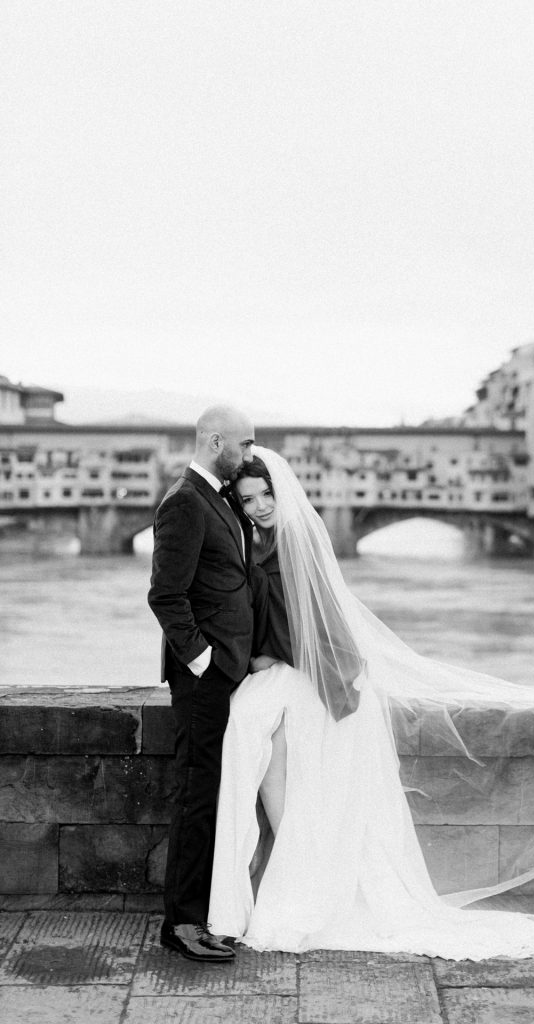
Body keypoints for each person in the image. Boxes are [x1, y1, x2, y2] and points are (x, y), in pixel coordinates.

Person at [208, 447, 534, 960]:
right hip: (294, 675)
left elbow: (317, 629)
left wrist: (270, 661)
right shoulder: (257, 543)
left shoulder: (294, 546)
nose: (257, 507)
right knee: (270, 758)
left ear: (281, 493)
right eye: (248, 500)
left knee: (276, 759)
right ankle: (295, 879)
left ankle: (298, 884)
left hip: (314, 677)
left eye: (263, 496)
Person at [147, 405, 256, 963]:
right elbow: (166, 594)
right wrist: (202, 661)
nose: (251, 454)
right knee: (196, 797)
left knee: (213, 794)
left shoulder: (219, 495)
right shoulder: (185, 502)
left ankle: (202, 915)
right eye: (244, 444)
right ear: (216, 441)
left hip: (228, 671)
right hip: (205, 679)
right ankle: (182, 925)